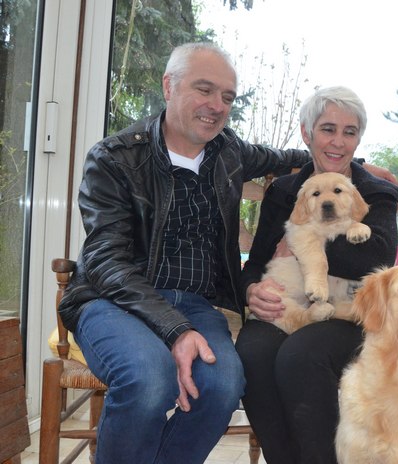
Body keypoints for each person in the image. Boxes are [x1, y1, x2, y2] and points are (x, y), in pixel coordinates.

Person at [58, 42, 324, 464]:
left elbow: (287, 158)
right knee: (149, 378)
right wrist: (176, 331)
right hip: (115, 300)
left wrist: (353, 167)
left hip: (197, 304)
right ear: (169, 86)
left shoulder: (228, 151)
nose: (217, 106)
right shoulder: (115, 158)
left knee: (223, 385)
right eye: (204, 89)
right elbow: (108, 263)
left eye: (227, 97)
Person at [236, 86, 398, 464]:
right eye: (328, 129)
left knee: (300, 355)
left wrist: (301, 244)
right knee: (253, 354)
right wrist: (251, 290)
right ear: (307, 133)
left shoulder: (376, 191)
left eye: (349, 132)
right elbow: (256, 262)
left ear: (358, 139)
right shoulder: (284, 192)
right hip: (288, 303)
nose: (338, 142)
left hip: (349, 311)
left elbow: (376, 258)